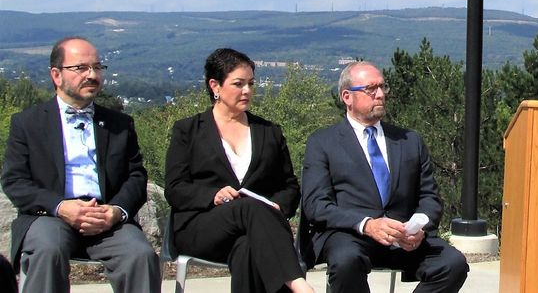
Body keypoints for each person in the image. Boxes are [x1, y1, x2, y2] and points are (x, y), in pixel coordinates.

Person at [1, 36, 160, 292]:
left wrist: (116, 211)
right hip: (50, 216)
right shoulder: (28, 123)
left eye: (97, 67)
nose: (92, 74)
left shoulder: (119, 124)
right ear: (56, 75)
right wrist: (61, 207)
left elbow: (136, 176)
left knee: (140, 255)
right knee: (47, 250)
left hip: (105, 217)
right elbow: (15, 181)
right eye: (81, 68)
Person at [300, 61, 469, 293]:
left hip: (404, 238)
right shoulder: (323, 142)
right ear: (347, 97)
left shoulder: (409, 141)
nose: (380, 95)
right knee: (346, 261)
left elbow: (430, 196)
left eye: (382, 87)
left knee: (453, 264)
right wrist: (367, 225)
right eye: (371, 89)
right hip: (351, 235)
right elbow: (316, 205)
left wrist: (418, 226)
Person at [164, 48, 312, 293]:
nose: (247, 91)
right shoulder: (188, 131)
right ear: (215, 86)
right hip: (202, 226)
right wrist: (213, 195)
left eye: (251, 84)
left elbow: (289, 187)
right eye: (238, 84)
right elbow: (175, 189)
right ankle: (298, 284)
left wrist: (278, 206)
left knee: (247, 248)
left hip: (257, 231)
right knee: (249, 206)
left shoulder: (269, 132)